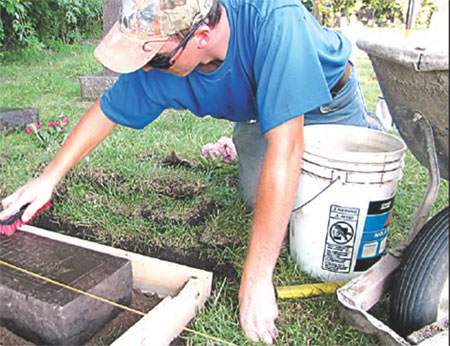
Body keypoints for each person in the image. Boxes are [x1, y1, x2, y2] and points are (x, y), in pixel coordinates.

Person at [0, 0, 381, 343]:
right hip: (260, 114)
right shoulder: (166, 56)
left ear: (201, 36)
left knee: (318, 216)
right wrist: (49, 177)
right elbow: (107, 110)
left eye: (156, 60)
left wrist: (256, 278)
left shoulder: (275, 20)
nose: (147, 70)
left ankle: (363, 135)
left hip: (329, 103)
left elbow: (287, 148)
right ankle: (246, 139)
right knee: (258, 198)